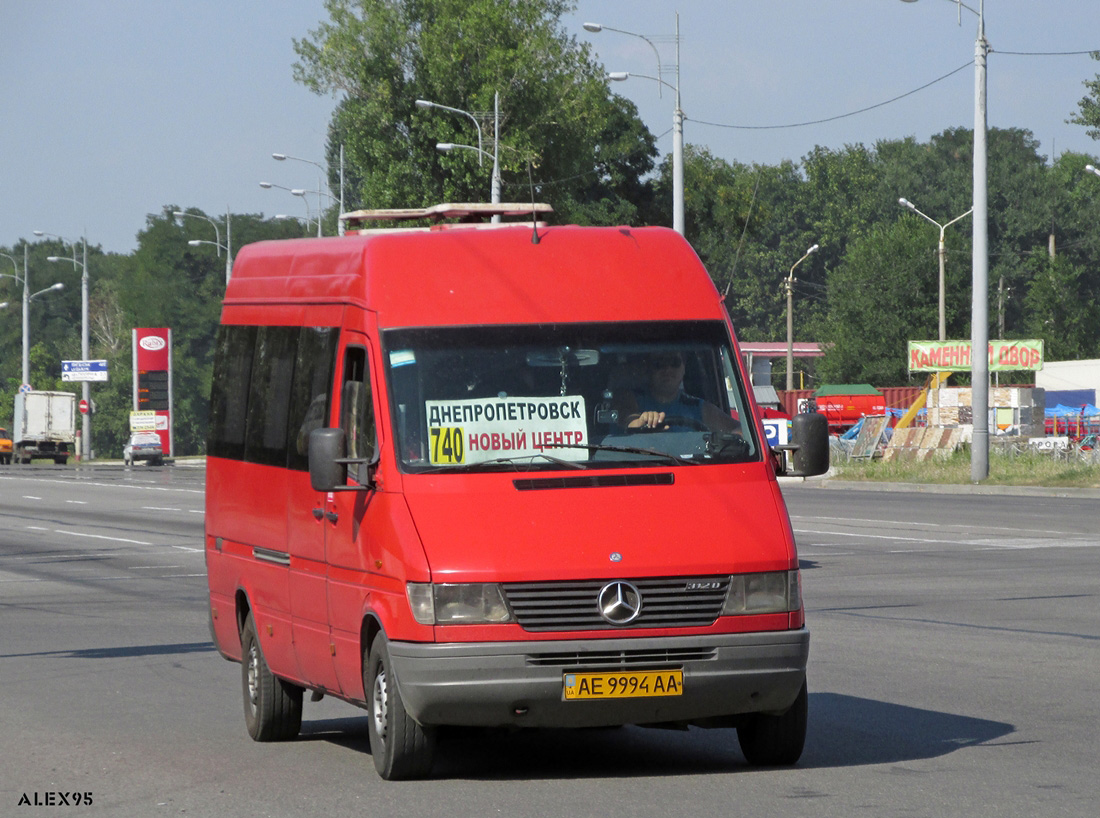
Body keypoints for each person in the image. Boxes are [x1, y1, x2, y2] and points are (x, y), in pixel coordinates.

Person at [614, 351, 741, 433]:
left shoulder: (699, 408)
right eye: (660, 363)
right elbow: (627, 418)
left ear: (684, 368)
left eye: (674, 362)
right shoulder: (629, 398)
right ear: (648, 368)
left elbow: (740, 431)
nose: (668, 369)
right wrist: (641, 422)